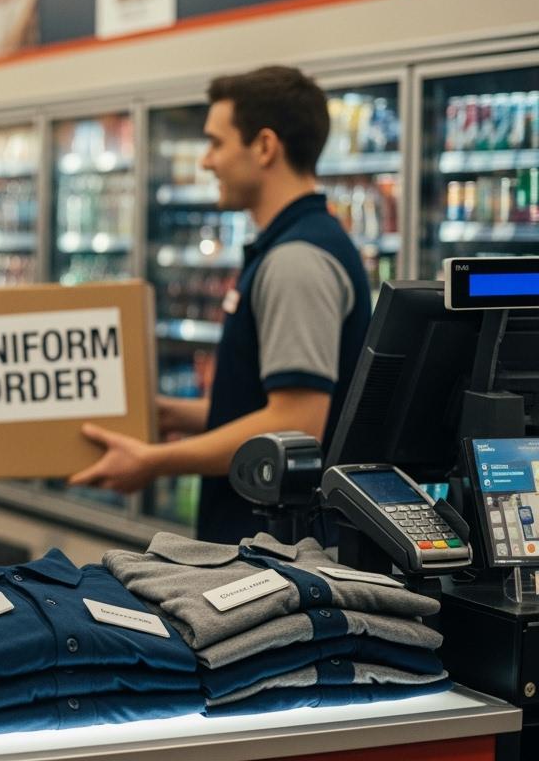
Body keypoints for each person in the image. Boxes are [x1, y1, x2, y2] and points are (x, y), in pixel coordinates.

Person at [72, 66, 372, 544]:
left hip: (279, 554)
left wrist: (154, 462)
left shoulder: (296, 260)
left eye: (216, 143)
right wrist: (169, 413)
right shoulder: (295, 244)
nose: (207, 162)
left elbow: (295, 422)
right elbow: (262, 403)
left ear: (265, 147)